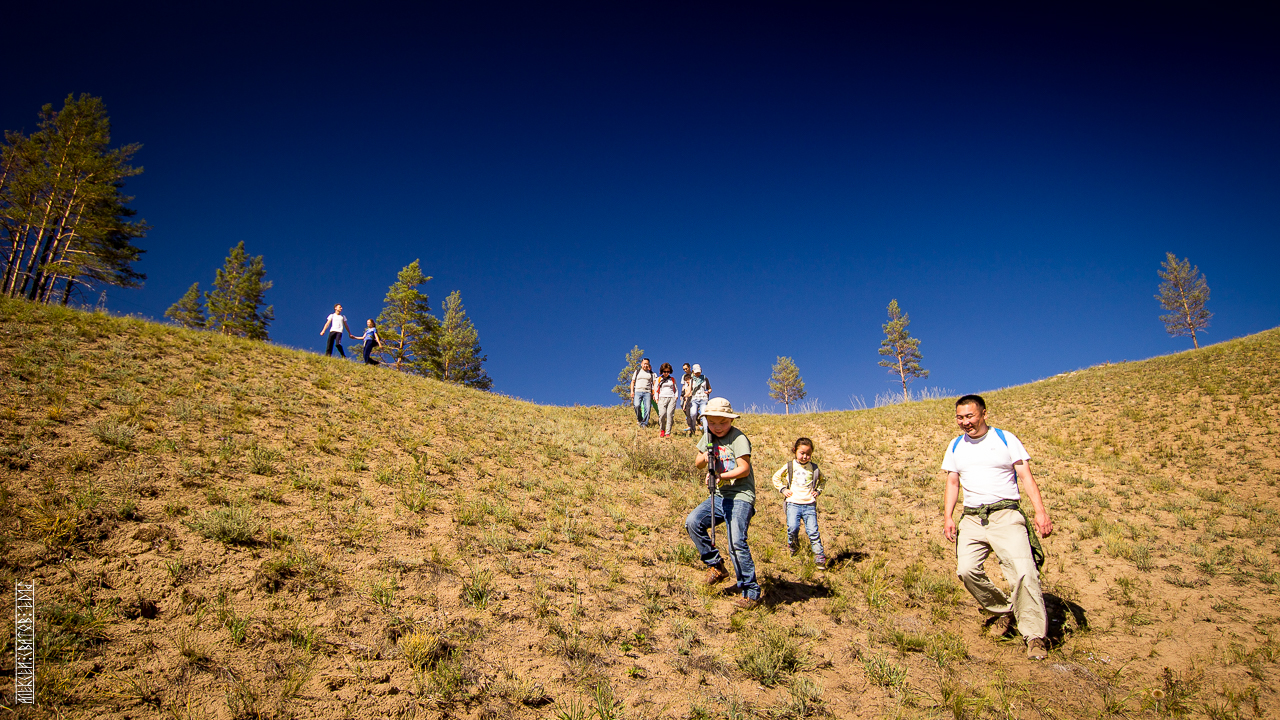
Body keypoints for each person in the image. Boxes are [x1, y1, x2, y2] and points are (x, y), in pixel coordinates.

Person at [942, 394, 1053, 660]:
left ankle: (1035, 636)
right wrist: (948, 517)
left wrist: (1040, 512)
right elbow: (953, 483)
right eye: (960, 417)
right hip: (972, 517)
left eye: (970, 416)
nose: (965, 422)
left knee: (1024, 571)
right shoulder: (956, 446)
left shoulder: (1005, 439)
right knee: (966, 570)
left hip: (1006, 513)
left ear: (983, 414)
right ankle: (1005, 609)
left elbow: (1025, 476)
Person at [684, 398, 760, 608]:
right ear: (706, 421)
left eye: (722, 423)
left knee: (736, 541)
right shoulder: (707, 436)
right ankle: (716, 566)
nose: (717, 427)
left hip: (740, 495)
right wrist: (707, 456)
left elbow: (743, 468)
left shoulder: (738, 438)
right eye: (713, 423)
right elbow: (698, 463)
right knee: (693, 522)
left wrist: (722, 476)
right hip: (719, 496)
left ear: (730, 420)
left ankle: (750, 592)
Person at [771, 437, 827, 570]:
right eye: (802, 453)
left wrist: (818, 491)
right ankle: (794, 548)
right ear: (795, 451)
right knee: (793, 528)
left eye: (808, 454)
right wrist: (783, 490)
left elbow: (823, 480)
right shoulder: (789, 466)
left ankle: (819, 556)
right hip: (793, 503)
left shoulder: (814, 468)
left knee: (813, 531)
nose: (805, 456)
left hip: (809, 504)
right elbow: (776, 477)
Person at [654, 363, 680, 438]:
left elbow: (676, 389)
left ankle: (668, 432)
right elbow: (656, 390)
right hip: (662, 398)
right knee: (662, 414)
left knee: (670, 415)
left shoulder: (672, 379)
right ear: (662, 371)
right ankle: (662, 429)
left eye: (668, 372)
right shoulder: (658, 379)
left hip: (671, 398)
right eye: (664, 371)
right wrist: (656, 398)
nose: (666, 373)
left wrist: (675, 397)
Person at [629, 358, 655, 428]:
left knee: (647, 408)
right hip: (638, 391)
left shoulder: (651, 374)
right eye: (644, 364)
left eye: (647, 364)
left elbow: (654, 384)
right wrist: (632, 391)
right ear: (641, 364)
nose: (645, 365)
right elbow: (633, 382)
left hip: (647, 392)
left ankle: (644, 423)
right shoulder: (637, 372)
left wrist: (654, 393)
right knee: (636, 405)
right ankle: (640, 420)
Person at [687, 364, 712, 433]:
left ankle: (706, 432)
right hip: (694, 399)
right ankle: (693, 429)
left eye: (699, 372)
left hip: (703, 399)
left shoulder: (705, 379)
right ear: (693, 372)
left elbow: (710, 389)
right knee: (693, 413)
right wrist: (685, 396)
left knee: (704, 415)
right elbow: (689, 390)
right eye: (696, 373)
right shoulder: (691, 380)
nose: (697, 374)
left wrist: (708, 392)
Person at [680, 363, 696, 436]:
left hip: (693, 393)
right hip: (686, 393)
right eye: (684, 369)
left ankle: (697, 422)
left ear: (689, 367)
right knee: (682, 405)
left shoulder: (694, 374)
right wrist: (682, 394)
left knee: (692, 408)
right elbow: (683, 385)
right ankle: (688, 417)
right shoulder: (684, 376)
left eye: (686, 369)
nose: (685, 370)